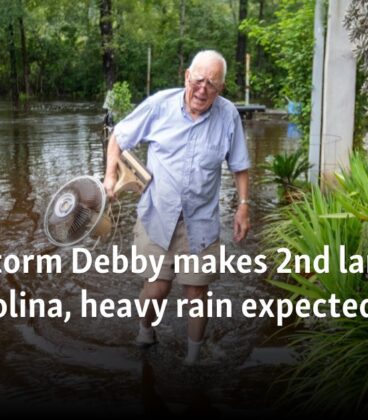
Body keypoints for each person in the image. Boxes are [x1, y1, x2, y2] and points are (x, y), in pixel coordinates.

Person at [103, 50, 250, 365]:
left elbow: (239, 165)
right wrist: (109, 176)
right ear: (187, 76)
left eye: (212, 84)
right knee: (157, 287)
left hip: (201, 222)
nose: (203, 89)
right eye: (198, 80)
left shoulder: (229, 116)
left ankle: (193, 357)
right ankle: (146, 329)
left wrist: (243, 206)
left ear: (221, 88)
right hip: (157, 214)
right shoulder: (159, 106)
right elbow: (118, 136)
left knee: (196, 293)